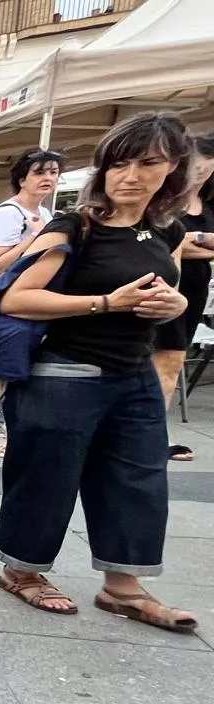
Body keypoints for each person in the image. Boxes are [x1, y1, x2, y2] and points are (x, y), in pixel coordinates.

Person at [0, 111, 196, 632]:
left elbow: (171, 291)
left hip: (135, 372)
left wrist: (174, 306)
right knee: (47, 476)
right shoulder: (74, 226)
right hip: (64, 372)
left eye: (147, 163)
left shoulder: (166, 229)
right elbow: (16, 298)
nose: (130, 175)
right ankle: (22, 571)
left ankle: (123, 586)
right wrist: (106, 302)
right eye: (119, 163)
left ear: (172, 169)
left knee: (140, 478)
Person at [0, 148, 64, 457]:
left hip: (27, 298)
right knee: (2, 366)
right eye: (39, 172)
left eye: (52, 172)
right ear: (22, 178)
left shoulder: (46, 215)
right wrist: (35, 239)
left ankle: (11, 425)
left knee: (19, 365)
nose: (47, 178)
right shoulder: (8, 215)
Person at [153, 132, 214, 462]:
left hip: (195, 288)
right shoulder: (165, 201)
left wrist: (196, 239)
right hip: (164, 285)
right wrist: (202, 244)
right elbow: (166, 246)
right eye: (197, 159)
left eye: (208, 160)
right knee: (165, 360)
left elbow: (181, 243)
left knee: (172, 361)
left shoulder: (206, 204)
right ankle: (152, 435)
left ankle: (151, 433)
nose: (202, 167)